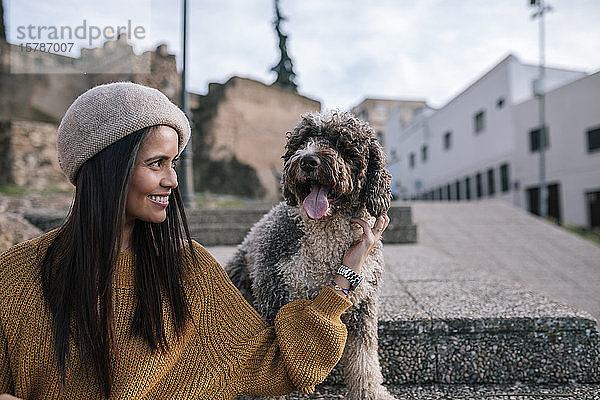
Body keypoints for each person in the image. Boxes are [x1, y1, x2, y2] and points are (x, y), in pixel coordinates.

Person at [0, 82, 389, 399]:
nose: (172, 180)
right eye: (156, 164)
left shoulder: (192, 271)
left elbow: (277, 363)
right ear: (104, 168)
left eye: (174, 163)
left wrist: (344, 277)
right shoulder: (13, 278)